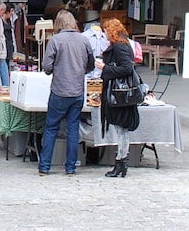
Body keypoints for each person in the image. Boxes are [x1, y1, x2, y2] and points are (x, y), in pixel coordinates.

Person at [37, 10, 94, 176]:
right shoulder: (84, 40)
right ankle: (70, 168)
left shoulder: (55, 40)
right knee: (73, 128)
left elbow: (47, 67)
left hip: (59, 90)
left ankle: (45, 167)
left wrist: (57, 68)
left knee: (51, 128)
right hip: (77, 91)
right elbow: (90, 65)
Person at [95, 18, 140, 178]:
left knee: (121, 130)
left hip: (119, 94)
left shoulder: (120, 46)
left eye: (106, 30)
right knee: (121, 130)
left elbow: (127, 68)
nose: (104, 33)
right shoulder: (123, 44)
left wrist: (105, 67)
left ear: (111, 31)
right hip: (121, 94)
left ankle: (121, 163)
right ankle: (121, 163)